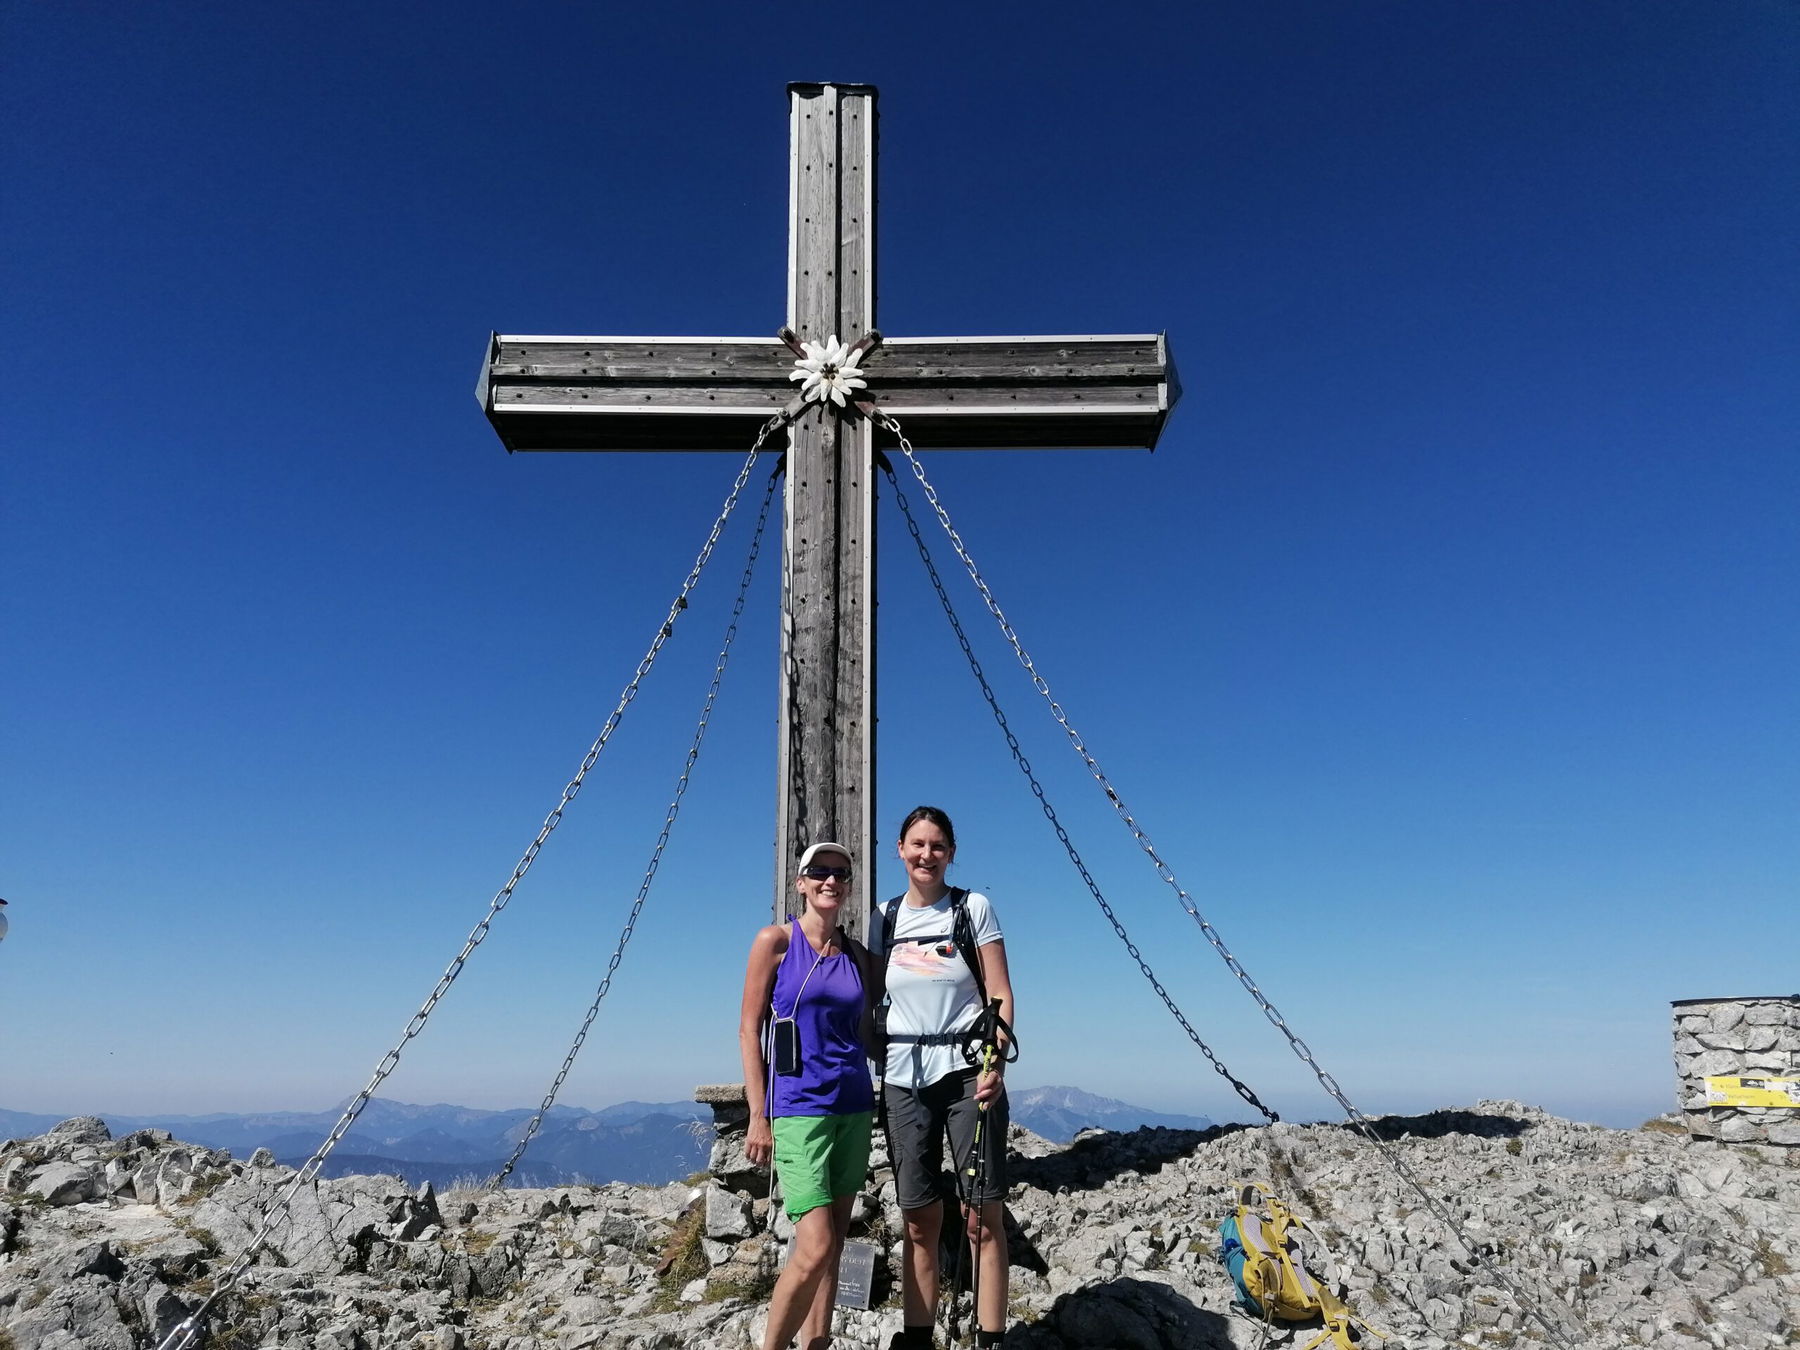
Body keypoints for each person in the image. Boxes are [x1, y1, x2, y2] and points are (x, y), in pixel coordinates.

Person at [877, 806, 1015, 1350]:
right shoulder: (882, 918)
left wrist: (994, 1064)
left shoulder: (972, 908)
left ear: (951, 852)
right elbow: (870, 996)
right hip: (903, 1078)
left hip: (965, 1075)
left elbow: (1000, 991)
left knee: (981, 1214)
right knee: (917, 1218)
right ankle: (917, 1337)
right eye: (917, 844)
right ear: (900, 850)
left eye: (937, 845)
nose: (926, 854)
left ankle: (990, 1338)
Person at [739, 842, 878, 1350]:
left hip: (854, 1106)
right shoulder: (775, 941)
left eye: (840, 873)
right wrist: (760, 1114)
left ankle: (817, 1344)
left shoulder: (859, 956)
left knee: (834, 1244)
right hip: (799, 1110)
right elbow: (747, 1029)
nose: (830, 880)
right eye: (819, 872)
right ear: (800, 883)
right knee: (814, 1243)